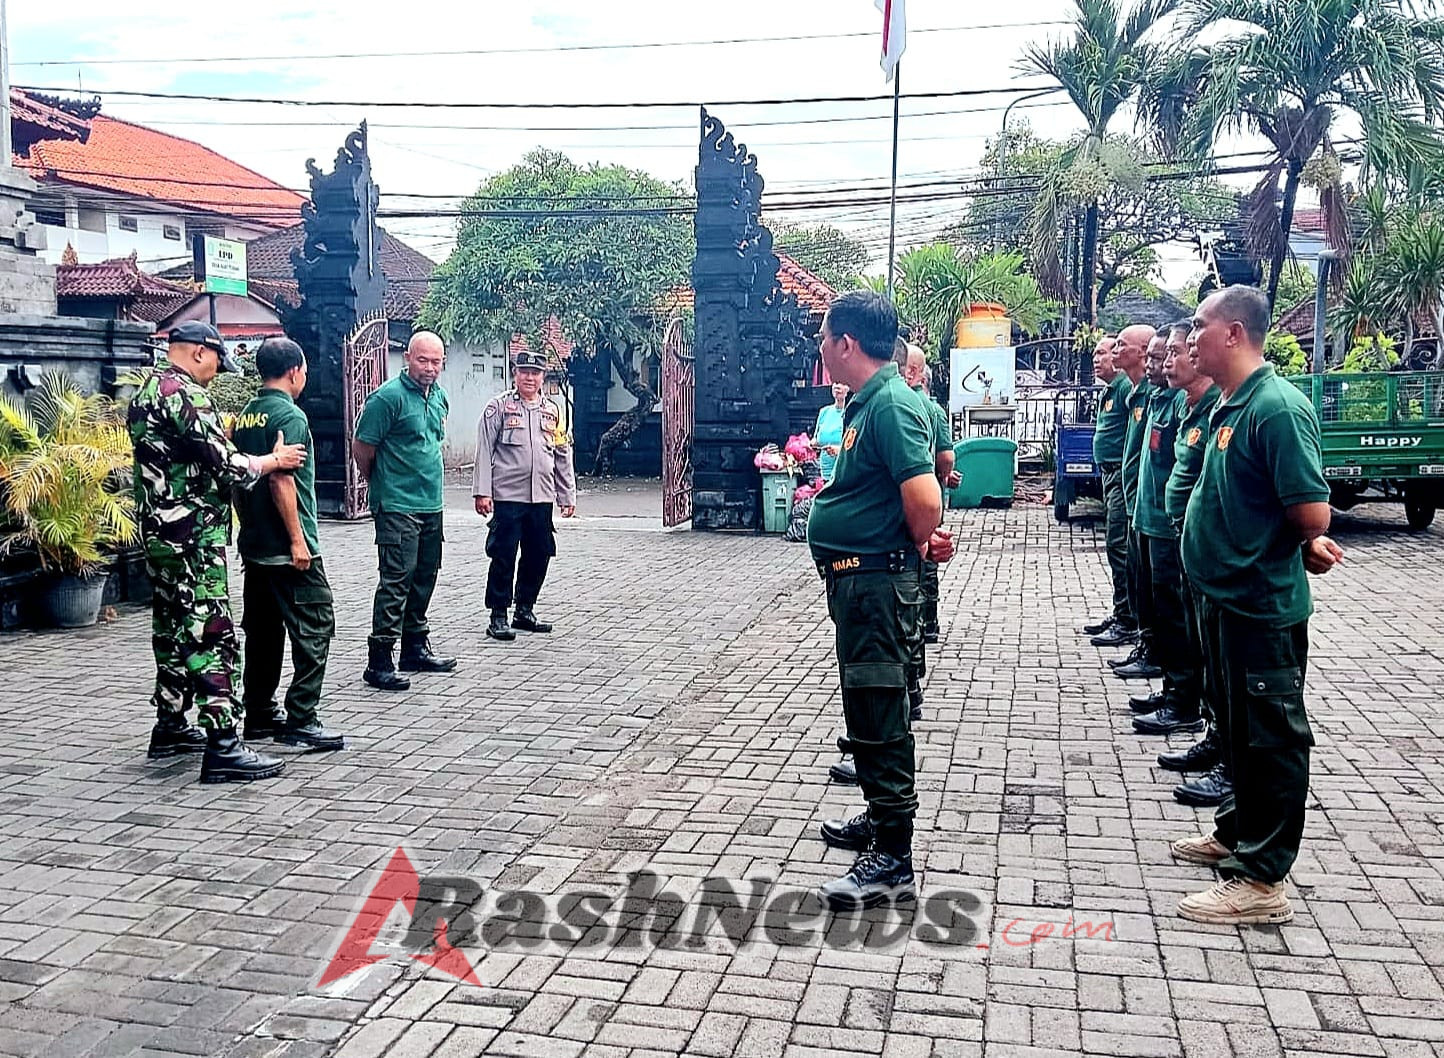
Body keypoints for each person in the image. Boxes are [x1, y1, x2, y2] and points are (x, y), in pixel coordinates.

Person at [1171, 285, 1342, 925]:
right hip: (1223, 600)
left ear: (1235, 333)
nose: (1190, 339)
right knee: (1237, 729)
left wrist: (1308, 541)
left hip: (1259, 606)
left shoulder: (1276, 408)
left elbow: (1310, 512)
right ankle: (1238, 831)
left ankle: (1263, 878)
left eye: (1200, 326)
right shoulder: (1230, 404)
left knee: (1271, 738)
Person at [807, 290, 954, 911]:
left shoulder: (890, 404)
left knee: (880, 710)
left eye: (824, 337)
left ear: (846, 343)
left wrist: (922, 538)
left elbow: (923, 496)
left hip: (876, 584)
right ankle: (878, 814)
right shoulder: (870, 402)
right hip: (860, 582)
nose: (819, 347)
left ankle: (893, 856)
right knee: (866, 709)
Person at [129, 321, 306, 783]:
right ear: (199, 352)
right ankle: (224, 744)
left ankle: (170, 725)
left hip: (159, 535)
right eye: (215, 364)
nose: (215, 375)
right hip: (192, 538)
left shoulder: (145, 390)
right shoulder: (185, 394)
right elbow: (227, 465)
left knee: (171, 629)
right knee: (212, 634)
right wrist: (275, 461)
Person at [231, 337, 345, 752]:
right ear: (295, 371)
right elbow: (282, 479)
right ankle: (302, 717)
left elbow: (238, 478)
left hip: (257, 545)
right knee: (316, 625)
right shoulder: (290, 416)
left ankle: (259, 712)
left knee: (263, 631)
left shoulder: (245, 415)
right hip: (288, 547)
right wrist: (299, 541)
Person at [353, 331, 457, 691]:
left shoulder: (439, 396)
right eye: (422, 360)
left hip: (431, 501)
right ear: (407, 358)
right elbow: (363, 447)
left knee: (425, 574)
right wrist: (380, 481)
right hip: (397, 503)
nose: (429, 367)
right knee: (396, 578)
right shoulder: (387, 398)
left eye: (435, 361)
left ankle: (415, 647)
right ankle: (380, 659)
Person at [1152, 322, 1228, 808]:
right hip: (1185, 541)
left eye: (1178, 350)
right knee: (1197, 642)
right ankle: (1215, 737)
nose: (1172, 359)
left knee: (1227, 670)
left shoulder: (1256, 409)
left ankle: (1229, 762)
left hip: (1226, 568)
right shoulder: (1195, 407)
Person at [1129, 322, 1208, 738]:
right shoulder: (1167, 399)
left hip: (1171, 530)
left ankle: (1184, 701)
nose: (1161, 363)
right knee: (1162, 611)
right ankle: (1174, 689)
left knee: (1178, 617)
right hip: (1151, 522)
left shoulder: (1189, 406)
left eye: (1170, 354)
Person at [473, 349, 577, 641]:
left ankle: (524, 609)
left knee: (539, 552)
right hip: (508, 495)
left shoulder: (553, 411)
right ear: (515, 374)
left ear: (543, 377)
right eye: (524, 372)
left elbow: (562, 454)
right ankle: (498, 615)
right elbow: (484, 450)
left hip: (541, 496)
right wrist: (482, 492)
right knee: (503, 554)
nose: (530, 378)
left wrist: (567, 495)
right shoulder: (498, 408)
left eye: (536, 373)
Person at [1108, 325, 1161, 680]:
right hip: (1136, 503)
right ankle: (1141, 636)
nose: (1114, 350)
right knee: (1136, 573)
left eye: (1120, 345)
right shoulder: (1139, 394)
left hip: (1152, 511)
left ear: (1141, 352)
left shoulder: (1158, 396)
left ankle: (1151, 648)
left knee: (1157, 589)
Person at [902, 345, 959, 644]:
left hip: (902, 495)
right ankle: (930, 621)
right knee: (928, 552)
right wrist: (943, 475)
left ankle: (911, 619)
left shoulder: (896, 403)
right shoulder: (933, 410)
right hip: (930, 492)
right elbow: (947, 457)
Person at [1083, 337, 1136, 647]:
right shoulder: (1110, 391)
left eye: (1102, 353)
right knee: (1116, 545)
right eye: (1095, 353)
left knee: (1119, 544)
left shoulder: (1127, 389)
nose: (1097, 358)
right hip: (1109, 475)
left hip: (1120, 474)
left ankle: (1128, 618)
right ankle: (1122, 612)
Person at [813, 382, 849, 481]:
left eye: (842, 383)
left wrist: (839, 450)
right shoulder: (824, 412)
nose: (837, 386)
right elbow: (816, 440)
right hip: (824, 472)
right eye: (835, 383)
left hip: (844, 473)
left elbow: (857, 446)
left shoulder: (852, 413)